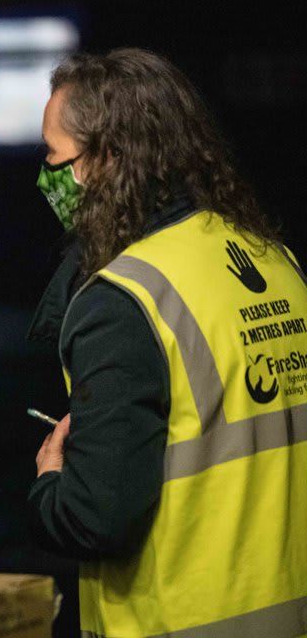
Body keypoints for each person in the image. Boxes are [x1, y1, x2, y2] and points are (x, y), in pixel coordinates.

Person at [26, 49, 307, 636]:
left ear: (105, 158)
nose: (49, 174)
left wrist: (51, 483)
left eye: (55, 157)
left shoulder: (122, 301)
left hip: (180, 620)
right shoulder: (274, 262)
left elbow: (96, 517)